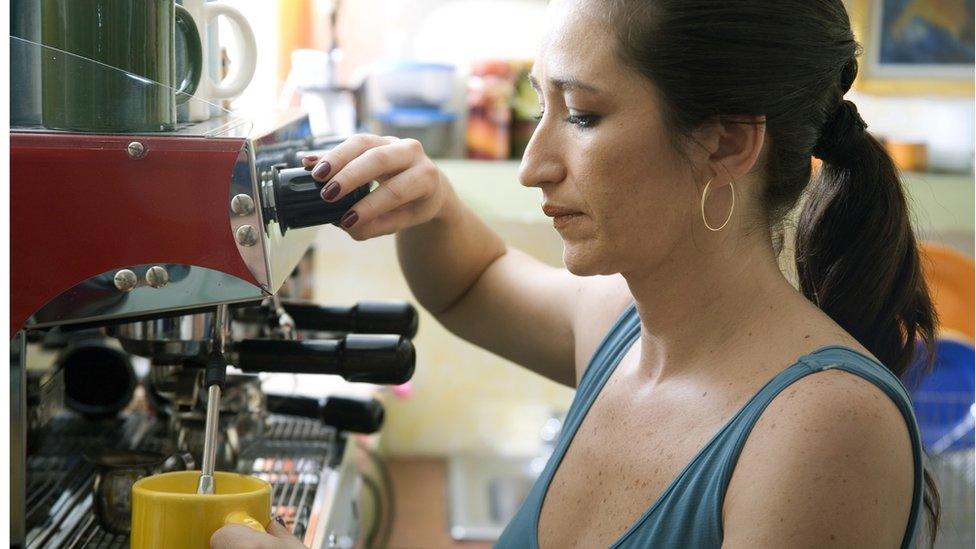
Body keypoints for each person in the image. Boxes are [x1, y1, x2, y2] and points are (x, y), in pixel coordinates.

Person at [212, 0, 941, 547]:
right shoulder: (623, 329)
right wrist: (431, 203)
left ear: (727, 144)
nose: (534, 165)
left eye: (583, 115)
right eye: (541, 105)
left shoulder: (823, 430)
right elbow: (474, 279)